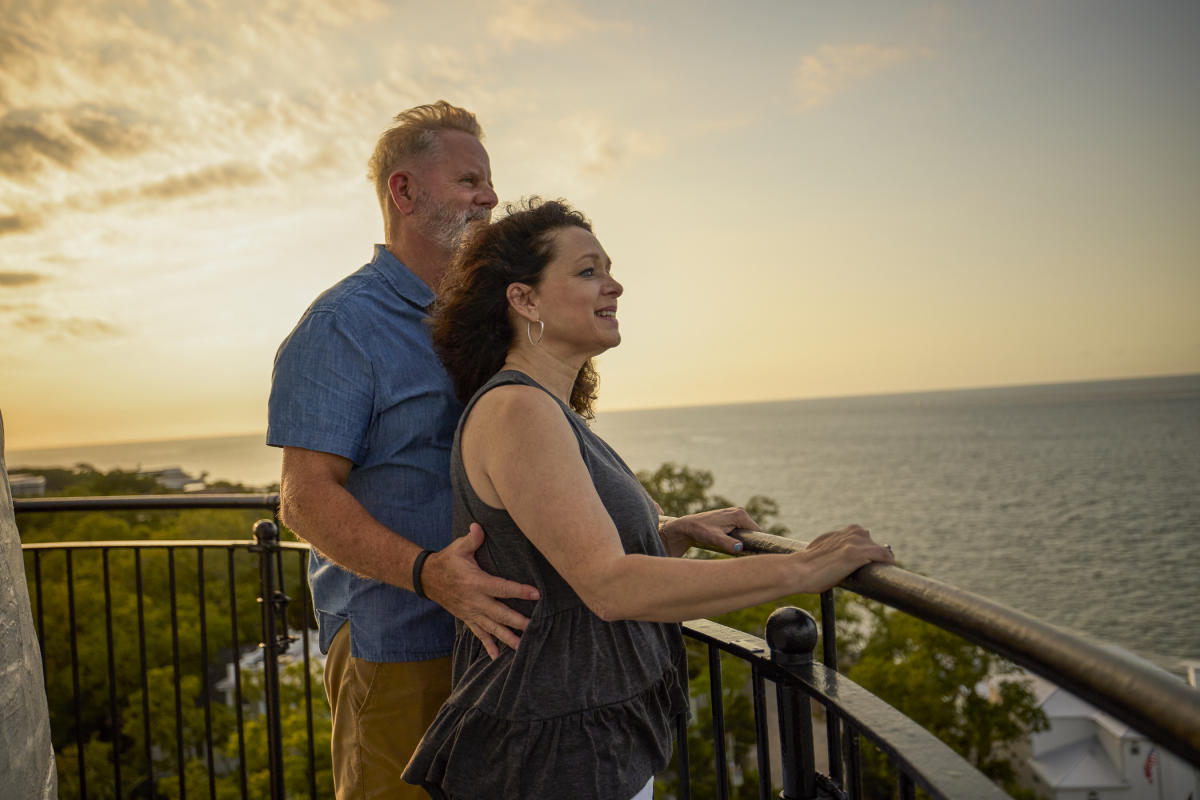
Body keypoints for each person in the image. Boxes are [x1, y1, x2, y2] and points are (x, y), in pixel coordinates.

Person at [402, 199, 896, 799]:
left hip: (584, 736)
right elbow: (608, 588)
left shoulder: (544, 409)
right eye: (587, 271)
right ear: (524, 300)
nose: (614, 284)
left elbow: (563, 570)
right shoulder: (518, 410)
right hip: (553, 754)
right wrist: (804, 568)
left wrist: (669, 536)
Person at [267, 101, 542, 800]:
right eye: (469, 181)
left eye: (490, 182)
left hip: (500, 645)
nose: (490, 197)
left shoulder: (489, 318)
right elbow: (304, 498)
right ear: (404, 191)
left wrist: (647, 529)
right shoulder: (341, 326)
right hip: (400, 643)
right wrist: (429, 575)